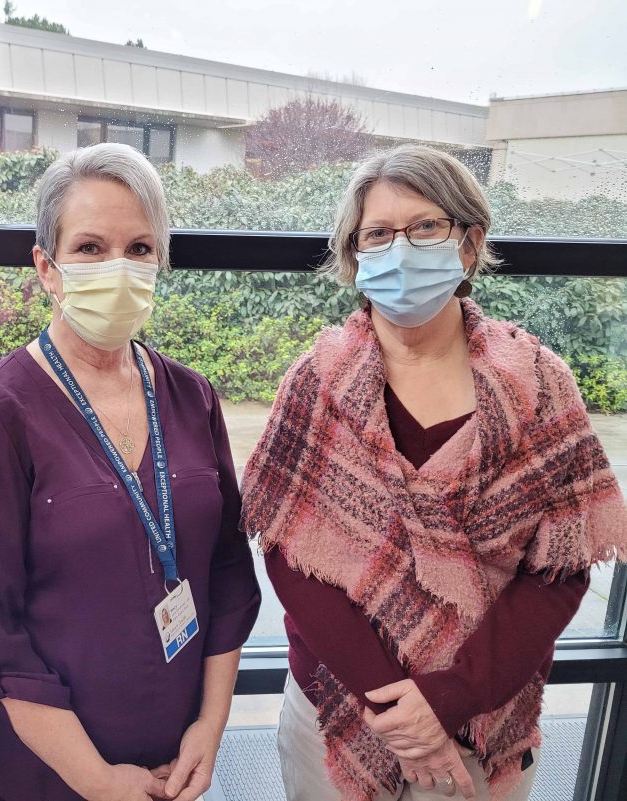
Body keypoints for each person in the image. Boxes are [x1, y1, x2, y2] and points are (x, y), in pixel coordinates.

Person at [241, 144, 627, 801]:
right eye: (378, 234)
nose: (400, 249)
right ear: (355, 255)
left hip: (483, 722)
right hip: (335, 716)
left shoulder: (538, 384)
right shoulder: (315, 384)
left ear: (469, 244)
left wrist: (448, 697)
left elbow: (559, 567)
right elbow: (288, 554)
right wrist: (399, 713)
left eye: (425, 227)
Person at [0, 142, 261, 801]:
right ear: (46, 268)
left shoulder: (190, 396)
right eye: (89, 247)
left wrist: (210, 723)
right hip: (42, 774)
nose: (118, 267)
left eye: (140, 248)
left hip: (175, 760)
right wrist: (94, 779)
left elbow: (227, 574)